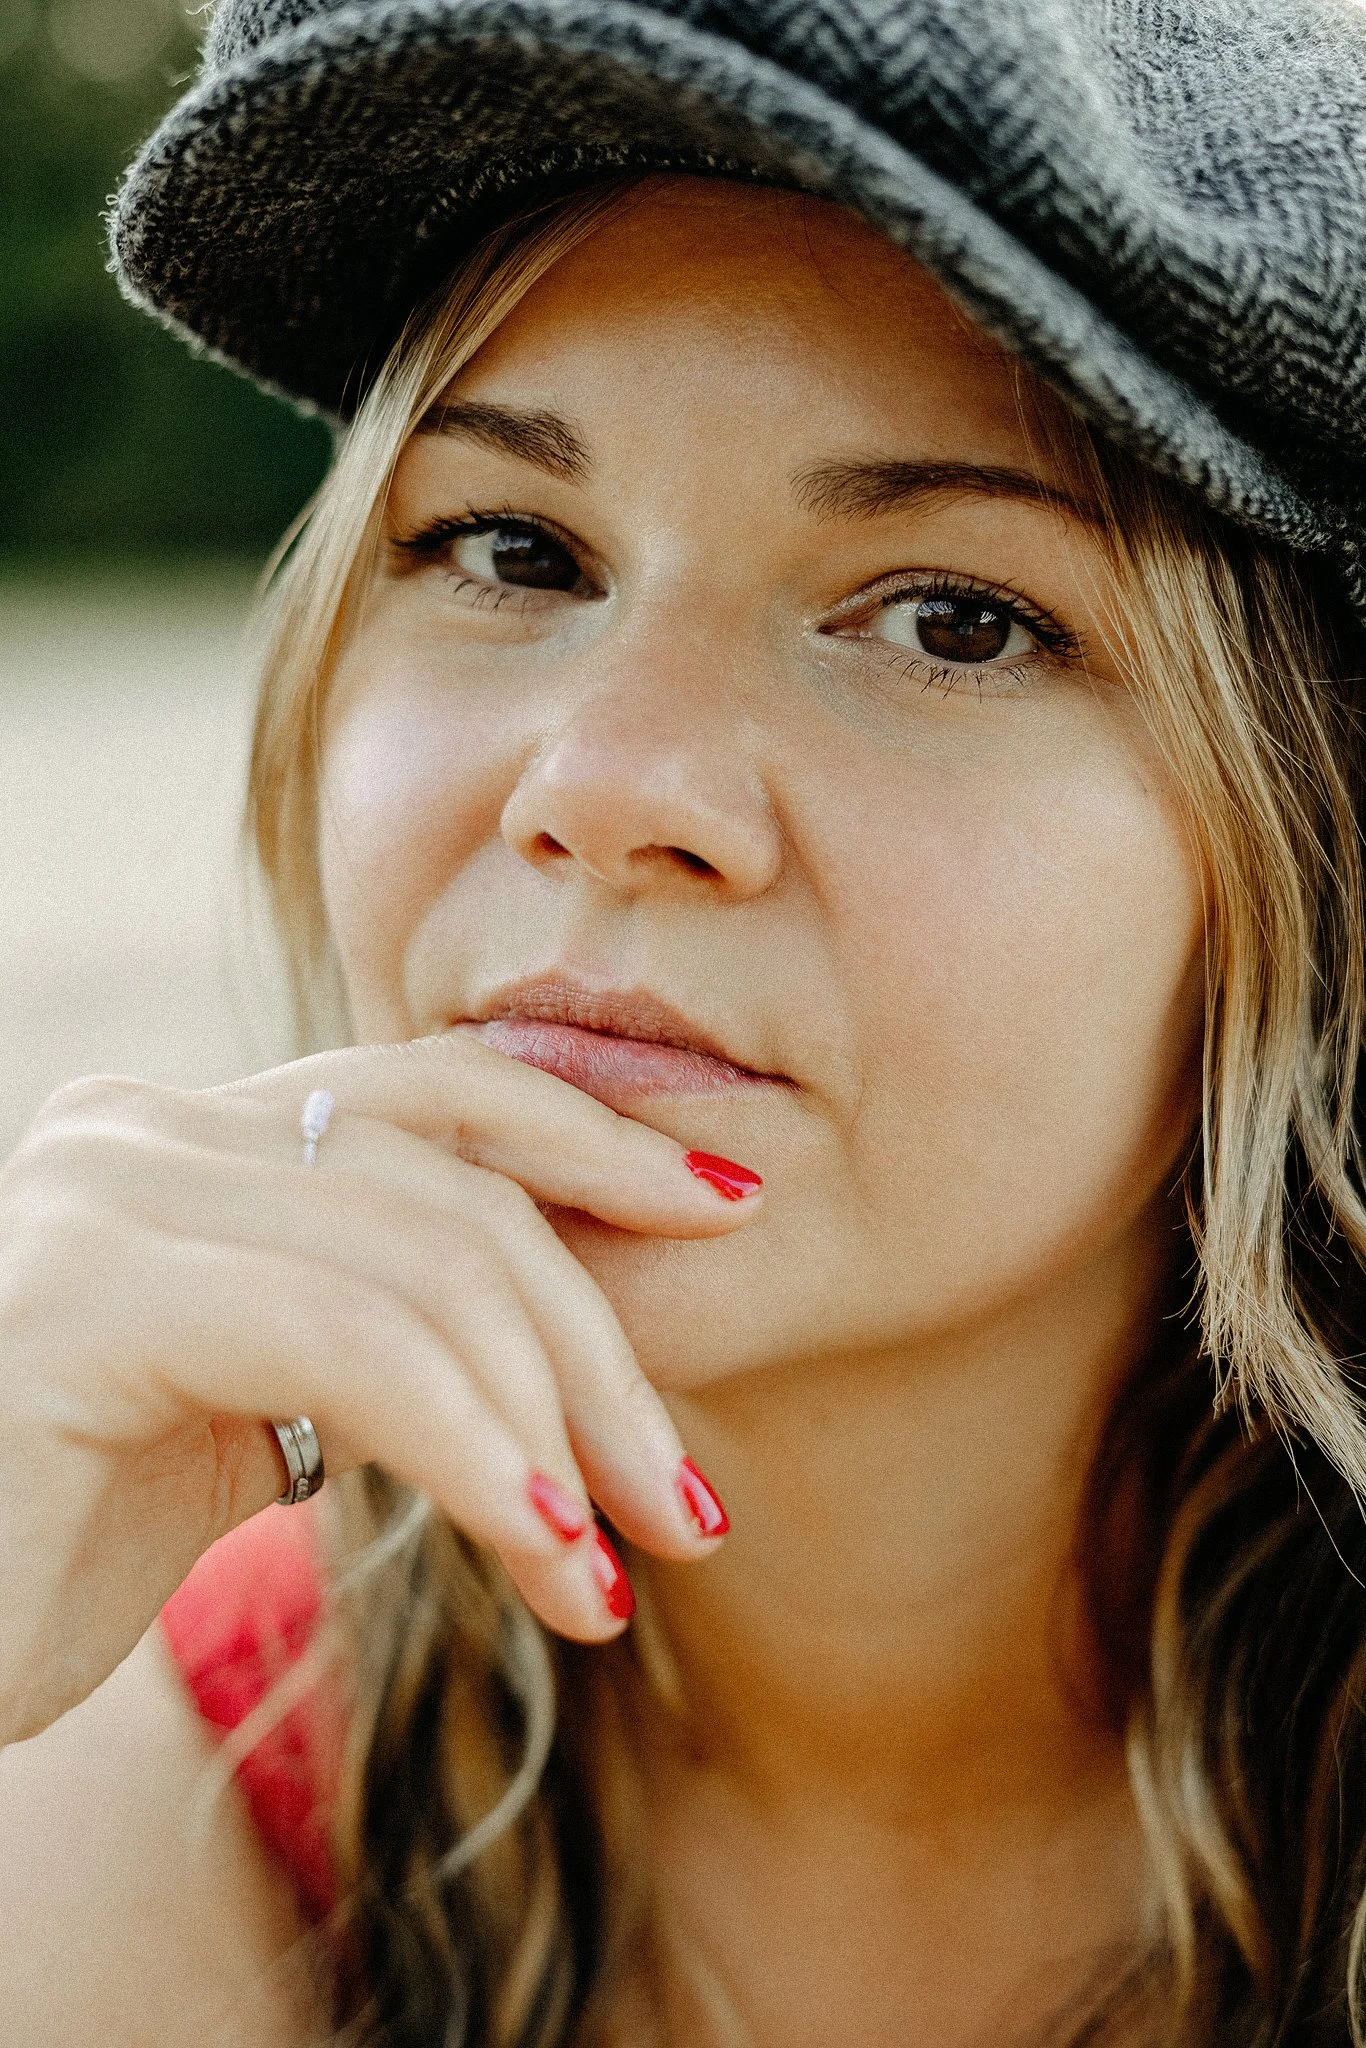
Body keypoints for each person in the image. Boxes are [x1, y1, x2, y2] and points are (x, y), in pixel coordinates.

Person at [4, 0, 1366, 2041]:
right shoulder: (128, 1730)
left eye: (953, 619)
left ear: (1312, 835)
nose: (606, 784)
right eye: (511, 548)